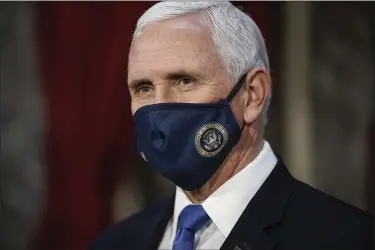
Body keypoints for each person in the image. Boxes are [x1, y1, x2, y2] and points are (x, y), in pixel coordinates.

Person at [90, 1, 374, 250]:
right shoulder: (116, 242)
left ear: (252, 94)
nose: (159, 106)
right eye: (143, 88)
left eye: (184, 81)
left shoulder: (347, 238)